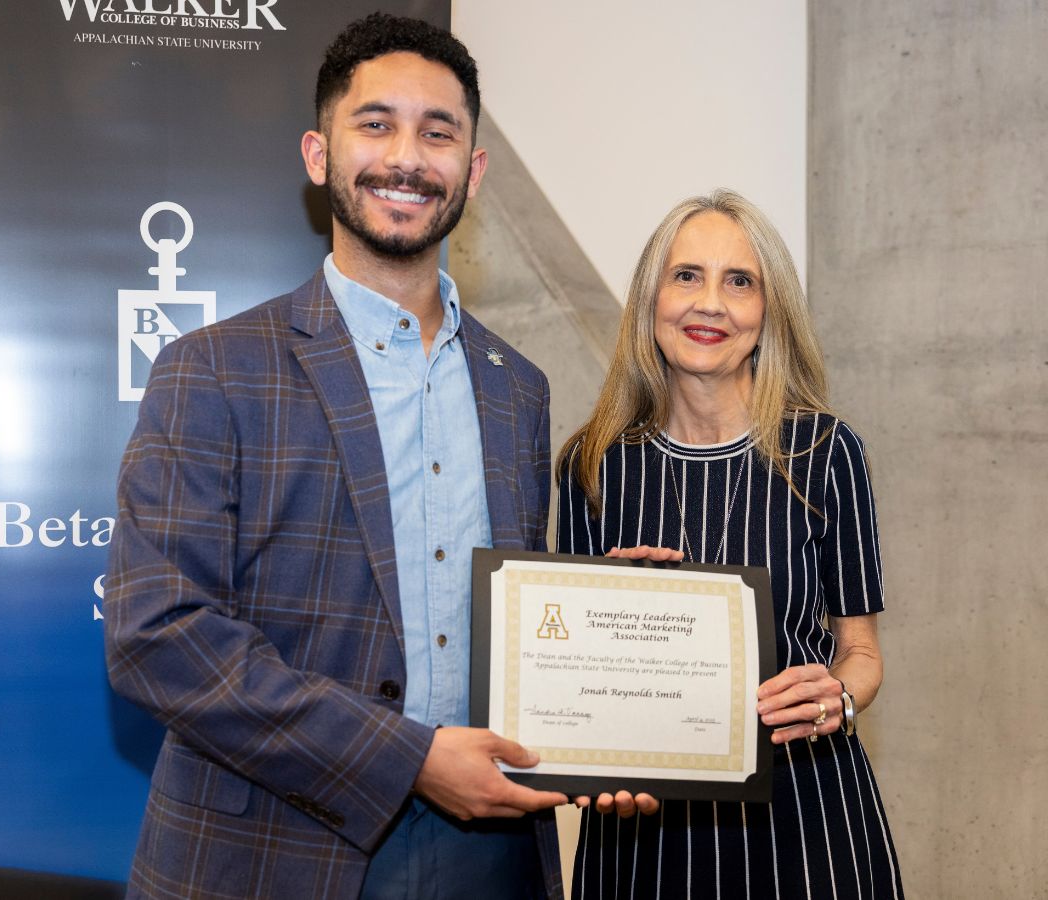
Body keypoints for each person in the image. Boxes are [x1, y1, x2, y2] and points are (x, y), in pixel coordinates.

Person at [104, 13, 567, 900]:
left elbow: (516, 613)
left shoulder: (520, 388)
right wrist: (409, 759)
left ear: (471, 172)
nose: (407, 157)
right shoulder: (212, 370)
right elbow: (157, 636)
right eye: (377, 123)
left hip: (492, 853)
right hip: (272, 851)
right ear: (320, 155)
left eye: (439, 133)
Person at [557, 190, 903, 898]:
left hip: (805, 818)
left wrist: (838, 695)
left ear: (768, 312)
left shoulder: (828, 454)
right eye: (686, 276)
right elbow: (573, 681)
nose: (709, 304)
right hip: (645, 834)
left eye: (739, 281)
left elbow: (861, 653)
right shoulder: (592, 466)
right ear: (651, 299)